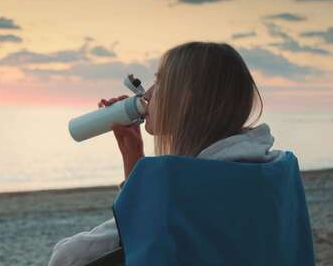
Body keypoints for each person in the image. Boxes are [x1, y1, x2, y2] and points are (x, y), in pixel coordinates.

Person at [47, 41, 283, 266]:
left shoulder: (184, 186)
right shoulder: (264, 166)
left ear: (186, 99)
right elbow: (148, 228)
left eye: (160, 82)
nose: (147, 94)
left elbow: (68, 257)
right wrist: (133, 155)